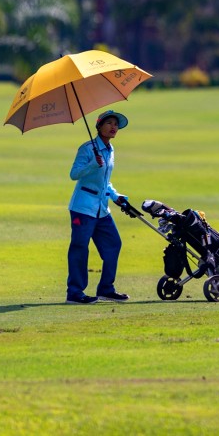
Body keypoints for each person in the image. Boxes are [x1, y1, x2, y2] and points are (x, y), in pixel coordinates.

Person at [65, 109, 131, 304]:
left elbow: (105, 182)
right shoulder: (87, 149)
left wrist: (116, 196)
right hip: (83, 208)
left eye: (116, 124)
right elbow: (74, 174)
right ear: (99, 126)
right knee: (79, 248)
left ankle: (106, 289)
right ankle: (75, 293)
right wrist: (92, 165)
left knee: (113, 244)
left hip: (102, 209)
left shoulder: (110, 150)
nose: (113, 127)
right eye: (109, 123)